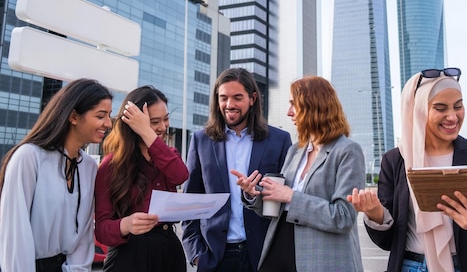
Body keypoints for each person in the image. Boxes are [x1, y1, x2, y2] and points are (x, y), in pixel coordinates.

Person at [349, 69, 467, 272]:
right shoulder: (395, 160)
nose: (453, 117)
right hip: (410, 266)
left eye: (458, 106)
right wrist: (376, 214)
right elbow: (388, 241)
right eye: (440, 108)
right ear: (418, 110)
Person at [233, 76, 366, 272]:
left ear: (314, 106)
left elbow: (343, 217)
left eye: (294, 105)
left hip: (322, 261)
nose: (289, 112)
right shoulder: (296, 150)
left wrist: (290, 196)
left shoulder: (347, 151)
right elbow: (277, 207)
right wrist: (255, 194)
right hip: (279, 253)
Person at [182, 68, 292, 272]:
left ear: (252, 99)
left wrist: (256, 194)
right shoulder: (200, 140)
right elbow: (191, 201)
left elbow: (284, 203)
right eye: (223, 98)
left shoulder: (279, 140)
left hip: (264, 257)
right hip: (215, 258)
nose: (229, 105)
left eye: (237, 97)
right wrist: (196, 254)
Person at [0, 78, 113, 272]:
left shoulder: (88, 166)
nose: (109, 123)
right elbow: (15, 232)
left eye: (109, 115)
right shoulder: (29, 157)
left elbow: (84, 234)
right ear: (73, 116)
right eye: (101, 116)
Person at [94, 85, 189, 272]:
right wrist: (126, 224)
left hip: (168, 249)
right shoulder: (112, 165)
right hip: (129, 254)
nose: (162, 127)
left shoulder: (168, 154)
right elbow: (102, 228)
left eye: (166, 119)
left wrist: (148, 134)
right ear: (133, 122)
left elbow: (181, 175)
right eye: (154, 122)